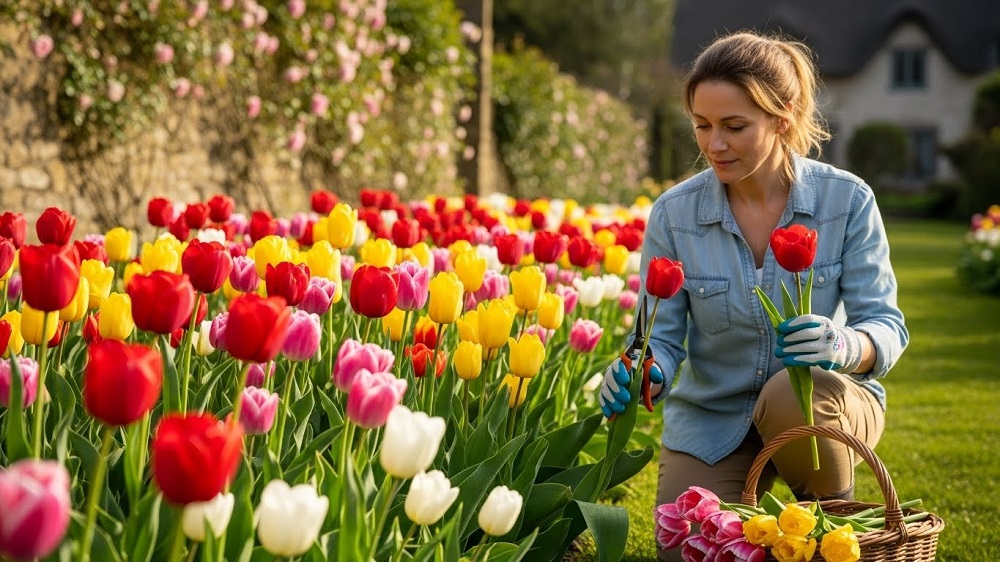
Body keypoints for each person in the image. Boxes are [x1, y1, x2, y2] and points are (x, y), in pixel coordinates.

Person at [597, 30, 908, 561]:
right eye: (702, 126)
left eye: (734, 126)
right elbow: (661, 338)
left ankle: (832, 523)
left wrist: (842, 344)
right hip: (714, 418)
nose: (714, 144)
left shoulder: (847, 200)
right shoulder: (675, 215)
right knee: (688, 549)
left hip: (817, 406)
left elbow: (886, 325)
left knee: (791, 395)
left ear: (782, 118)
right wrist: (641, 366)